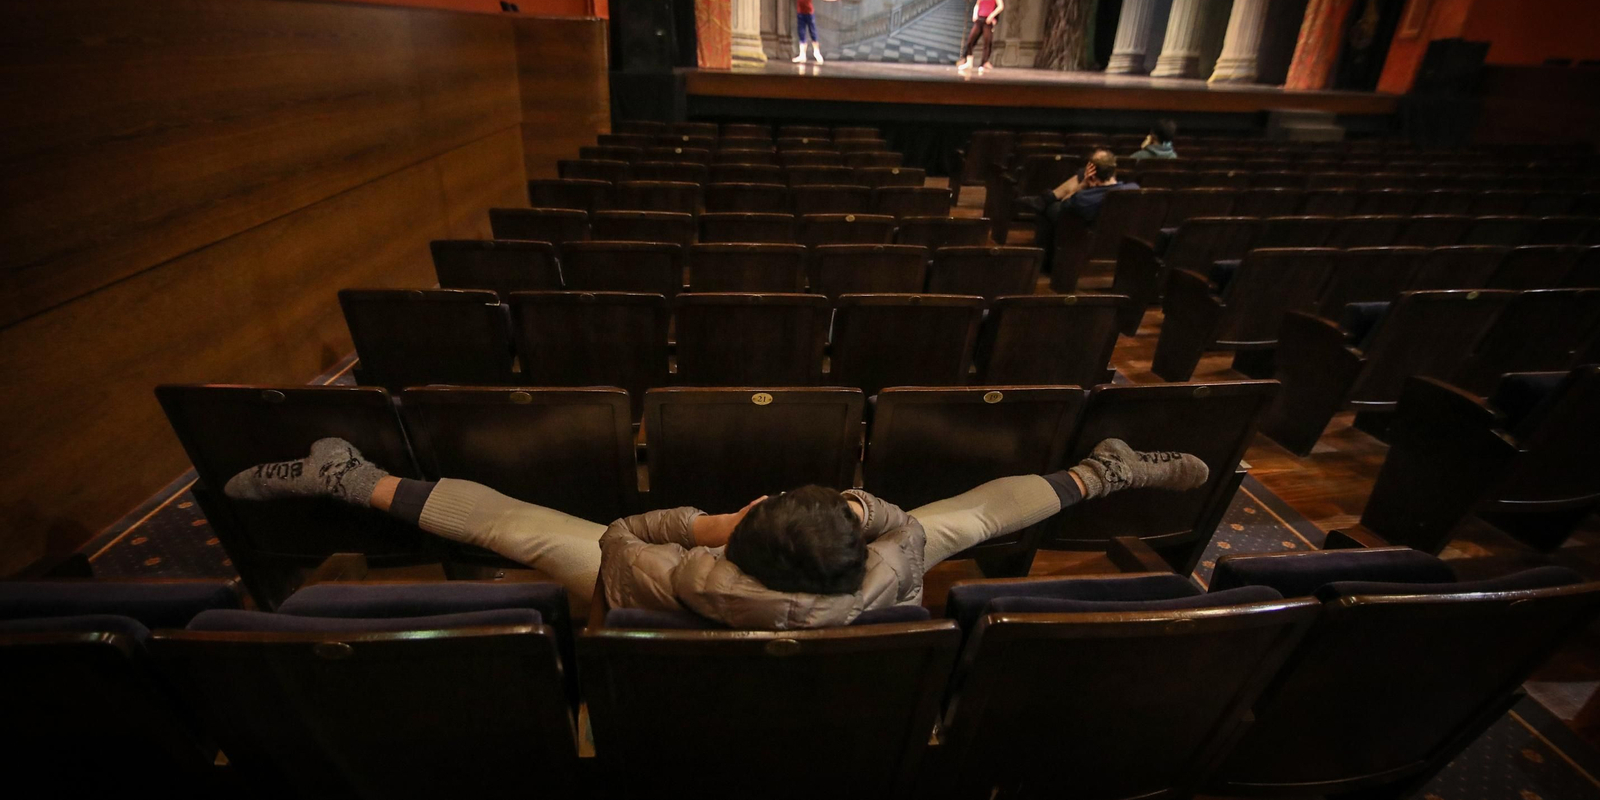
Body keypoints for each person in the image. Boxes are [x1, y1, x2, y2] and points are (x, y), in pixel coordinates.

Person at [225, 436, 1208, 629]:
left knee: (523, 528)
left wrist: (698, 523)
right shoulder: (896, 557)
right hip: (853, 604)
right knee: (980, 516)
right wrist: (861, 514)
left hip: (659, 581)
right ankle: (1104, 469)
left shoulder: (666, 579)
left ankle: (352, 481)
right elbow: (918, 519)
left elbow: (619, 535)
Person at [1022, 148, 1141, 272]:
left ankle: (1046, 264)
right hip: (1117, 243)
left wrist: (1082, 185)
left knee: (1050, 208)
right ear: (1113, 170)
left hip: (1086, 240)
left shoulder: (1082, 199)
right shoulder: (1133, 189)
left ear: (1092, 176)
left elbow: (1065, 205)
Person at [775, 0, 845, 64]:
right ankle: (802, 55)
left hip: (809, 14)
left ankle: (817, 53)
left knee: (813, 33)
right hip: (800, 14)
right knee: (801, 33)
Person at [957, 0, 1004, 73]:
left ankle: (984, 63)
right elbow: (977, 5)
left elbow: (1000, 6)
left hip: (988, 20)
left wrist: (992, 16)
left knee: (987, 42)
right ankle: (969, 62)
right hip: (980, 19)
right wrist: (975, 14)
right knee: (970, 40)